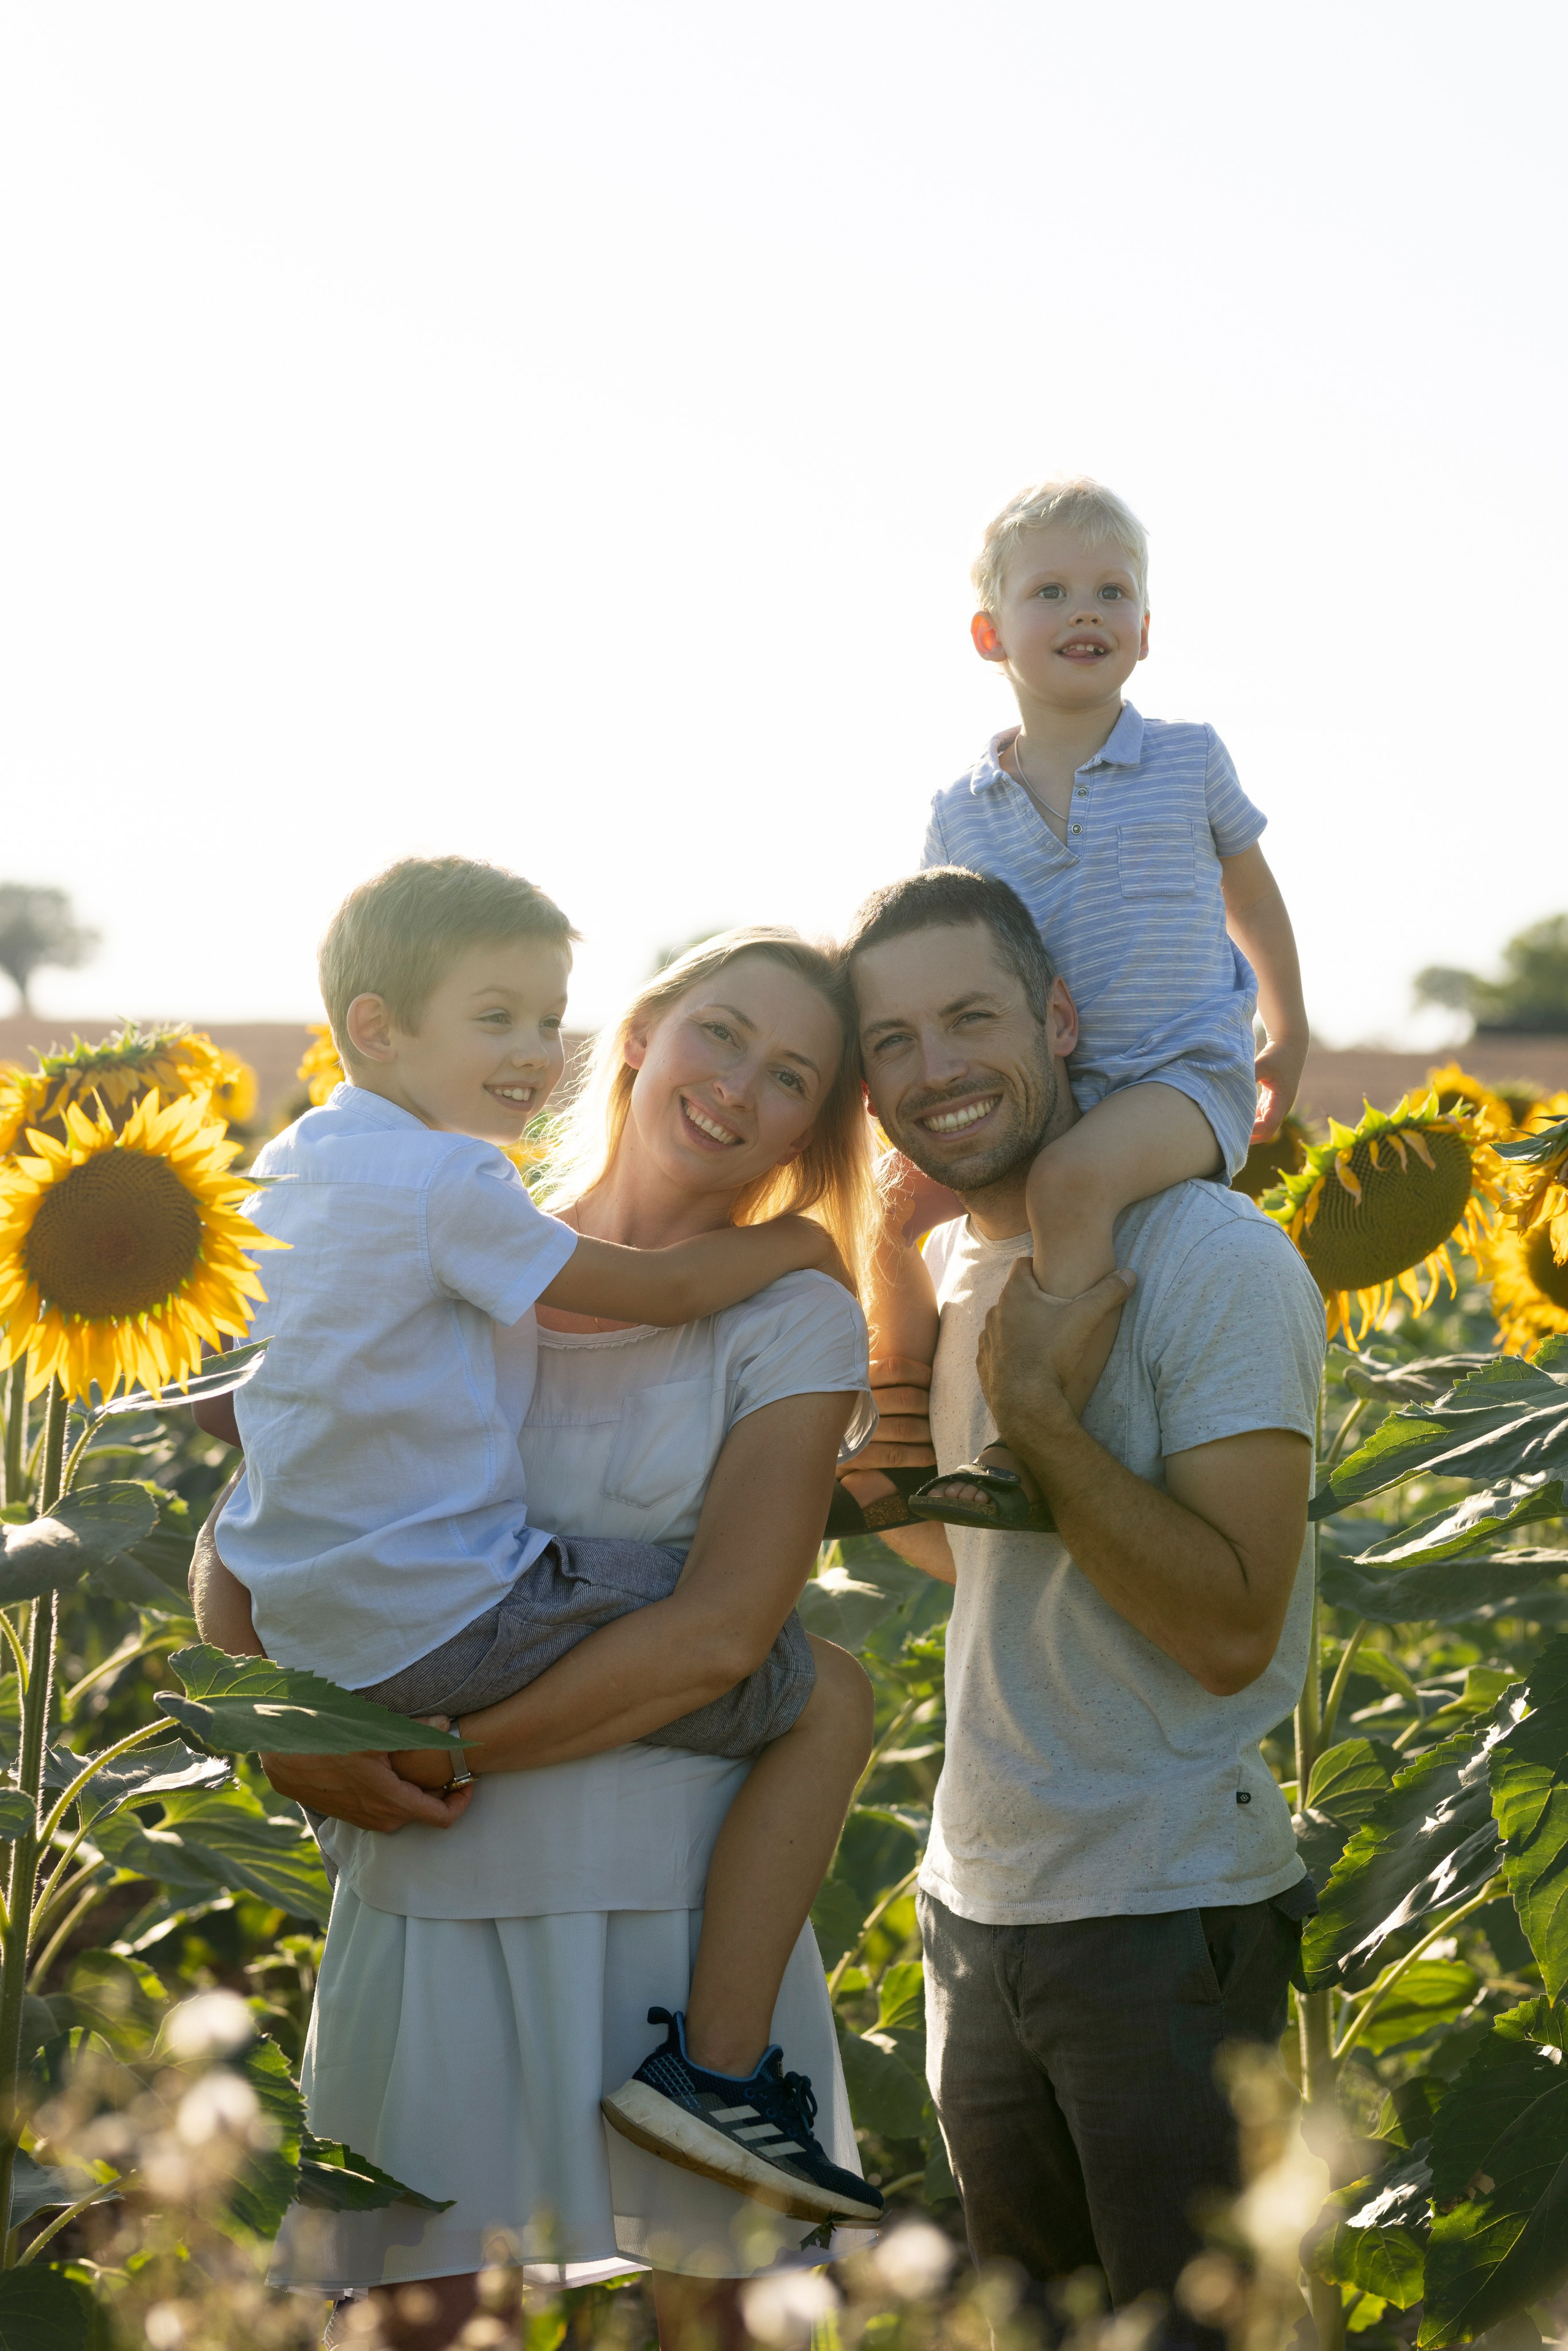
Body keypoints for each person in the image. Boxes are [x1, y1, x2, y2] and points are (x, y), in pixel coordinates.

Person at [192, 926, 886, 2351]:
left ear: (812, 1124)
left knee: (724, 2319)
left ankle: (718, 2073)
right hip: (427, 1910)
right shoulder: (454, 1238)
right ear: (638, 1032)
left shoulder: (788, 1312)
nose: (738, 1086)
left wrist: (429, 1750)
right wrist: (284, 1733)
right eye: (720, 1033)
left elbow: (719, 1638)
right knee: (418, 2323)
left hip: (675, 1926)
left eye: (791, 1075)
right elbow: (256, 1526)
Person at [841, 866, 1324, 2338]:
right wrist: (890, 1466)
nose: (936, 1068)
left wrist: (1038, 1422)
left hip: (1158, 1908)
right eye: (893, 1040)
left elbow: (1232, 1621)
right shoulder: (950, 1268)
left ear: (1056, 1016)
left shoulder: (1208, 1258)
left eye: (971, 1015)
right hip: (976, 1899)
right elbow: (992, 1569)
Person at [845, 477, 1309, 1537]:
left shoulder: (1188, 758)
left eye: (1113, 590)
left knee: (1071, 1183)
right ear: (988, 632)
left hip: (1179, 1076)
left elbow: (1254, 894)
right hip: (1047, 1083)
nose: (1086, 611)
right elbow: (926, 941)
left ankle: (1035, 1434)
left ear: (1147, 630)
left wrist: (1290, 1027)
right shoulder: (959, 809)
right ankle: (901, 1438)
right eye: (1050, 591)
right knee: (885, 1208)